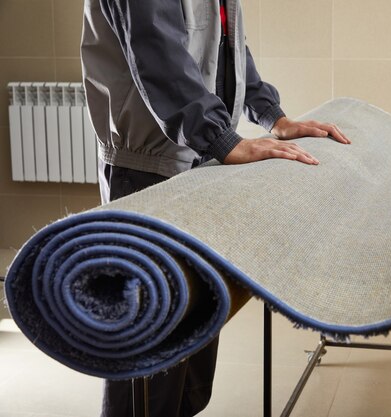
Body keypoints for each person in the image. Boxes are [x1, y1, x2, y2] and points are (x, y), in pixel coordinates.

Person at [81, 0, 350, 416]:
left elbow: (228, 43)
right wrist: (221, 139)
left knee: (192, 359)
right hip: (148, 170)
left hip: (198, 158)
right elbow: (157, 50)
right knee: (150, 365)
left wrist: (270, 114)